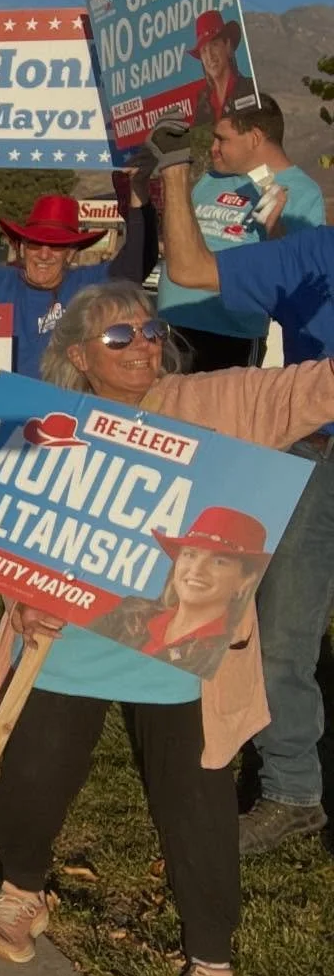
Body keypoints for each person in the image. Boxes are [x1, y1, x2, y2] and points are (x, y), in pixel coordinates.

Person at [0, 279, 334, 976]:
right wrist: (14, 595)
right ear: (79, 357)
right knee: (32, 780)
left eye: (150, 331)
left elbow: (308, 389)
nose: (144, 345)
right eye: (120, 338)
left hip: (179, 657)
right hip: (66, 646)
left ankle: (212, 968)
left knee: (196, 809)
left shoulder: (216, 403)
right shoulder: (42, 421)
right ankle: (22, 889)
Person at [155, 117, 334, 855]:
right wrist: (172, 170)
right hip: (316, 454)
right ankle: (293, 786)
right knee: (285, 626)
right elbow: (195, 270)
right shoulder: (315, 252)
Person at [0, 154, 157, 376]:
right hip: (7, 402)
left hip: (67, 403)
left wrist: (138, 192)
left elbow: (137, 262)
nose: (44, 254)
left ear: (71, 254)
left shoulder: (89, 285)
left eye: (56, 246)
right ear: (22, 247)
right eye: (35, 244)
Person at [158, 97, 327, 371]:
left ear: (255, 137)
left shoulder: (302, 192)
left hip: (230, 336)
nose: (213, 148)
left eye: (221, 139)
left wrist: (276, 227)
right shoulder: (212, 179)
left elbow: (300, 277)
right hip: (169, 327)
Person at [92, 507, 267, 680]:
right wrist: (65, 627)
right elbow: (78, 650)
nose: (197, 570)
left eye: (219, 562)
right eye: (190, 554)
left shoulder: (226, 655)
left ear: (245, 581)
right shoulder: (129, 613)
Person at [189, 11, 258, 127]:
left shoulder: (249, 89)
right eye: (204, 51)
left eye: (214, 45)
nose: (210, 56)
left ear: (228, 46)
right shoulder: (202, 104)